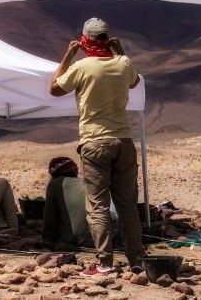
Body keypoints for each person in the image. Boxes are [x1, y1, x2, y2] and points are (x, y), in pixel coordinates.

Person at [49, 17, 143, 275]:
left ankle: (104, 263)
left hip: (95, 141)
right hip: (123, 140)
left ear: (85, 40)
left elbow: (54, 88)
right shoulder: (122, 63)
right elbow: (134, 81)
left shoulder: (83, 66)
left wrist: (68, 54)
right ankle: (136, 260)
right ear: (107, 38)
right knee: (127, 205)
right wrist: (120, 49)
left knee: (98, 205)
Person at [42, 156, 119, 249]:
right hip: (106, 236)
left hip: (79, 241)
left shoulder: (54, 185)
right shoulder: (88, 182)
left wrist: (48, 243)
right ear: (75, 170)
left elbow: (50, 220)